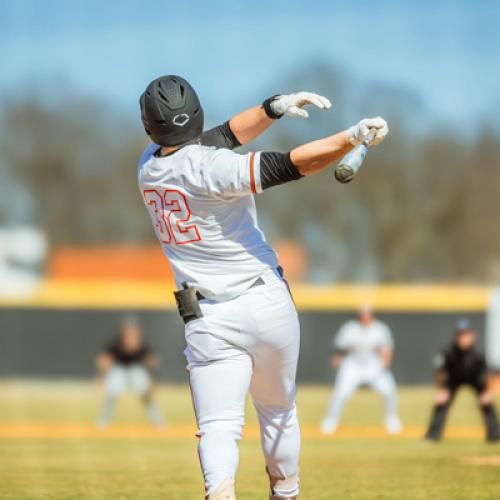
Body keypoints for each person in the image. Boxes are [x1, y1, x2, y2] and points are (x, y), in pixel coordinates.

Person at [138, 74, 389, 499]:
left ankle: (219, 493)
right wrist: (349, 137)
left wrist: (271, 108)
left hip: (208, 316)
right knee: (277, 413)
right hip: (265, 301)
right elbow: (294, 164)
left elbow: (222, 136)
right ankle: (285, 493)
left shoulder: (147, 165)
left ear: (150, 126)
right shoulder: (214, 166)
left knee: (218, 425)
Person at [321, 305, 402, 435]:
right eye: (362, 314)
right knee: (340, 393)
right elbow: (340, 347)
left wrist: (386, 362)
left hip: (373, 363)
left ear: (372, 315)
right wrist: (338, 358)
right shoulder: (350, 328)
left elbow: (386, 348)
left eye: (367, 314)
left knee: (388, 390)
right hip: (353, 363)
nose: (365, 317)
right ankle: (331, 420)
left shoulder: (380, 329)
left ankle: (391, 418)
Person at [425, 319, 500, 442]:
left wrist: (487, 391)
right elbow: (440, 371)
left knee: (487, 402)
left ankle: (495, 434)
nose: (463, 338)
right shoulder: (448, 351)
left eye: (466, 334)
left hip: (475, 380)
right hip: (454, 380)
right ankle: (433, 435)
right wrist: (441, 390)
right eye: (460, 335)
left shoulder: (478, 352)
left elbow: (487, 373)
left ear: (472, 335)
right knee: (442, 402)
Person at [96, 316, 164, 428]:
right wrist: (101, 376)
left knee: (146, 394)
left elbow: (152, 361)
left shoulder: (142, 344)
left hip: (136, 369)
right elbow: (104, 360)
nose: (130, 333)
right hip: (119, 369)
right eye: (128, 330)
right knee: (112, 394)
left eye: (133, 330)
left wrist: (153, 378)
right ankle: (103, 422)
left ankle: (157, 421)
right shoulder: (116, 343)